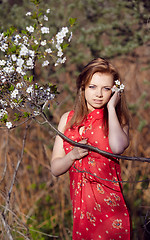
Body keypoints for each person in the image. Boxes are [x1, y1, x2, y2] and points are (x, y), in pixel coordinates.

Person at [51, 58, 131, 240]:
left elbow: (118, 147)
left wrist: (111, 108)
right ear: (83, 87)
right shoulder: (67, 119)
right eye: (93, 87)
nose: (99, 94)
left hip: (110, 212)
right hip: (81, 212)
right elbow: (55, 168)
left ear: (115, 91)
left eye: (106, 88)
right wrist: (72, 155)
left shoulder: (117, 119)